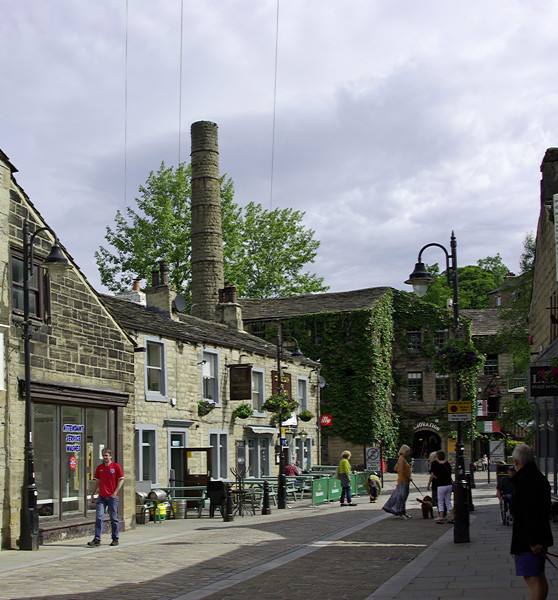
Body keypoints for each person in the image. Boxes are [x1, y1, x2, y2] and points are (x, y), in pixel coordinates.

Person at [510, 444, 553, 600]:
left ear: (516, 461)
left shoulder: (525, 480)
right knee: (538, 575)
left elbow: (529, 513)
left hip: (528, 538)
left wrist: (533, 540)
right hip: (537, 534)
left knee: (532, 577)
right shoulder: (536, 476)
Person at [87, 448, 124, 547]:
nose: (105, 457)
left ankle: (115, 538)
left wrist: (115, 492)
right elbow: (97, 482)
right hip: (101, 497)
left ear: (110, 456)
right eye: (103, 455)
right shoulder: (100, 468)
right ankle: (97, 539)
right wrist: (93, 494)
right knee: (99, 517)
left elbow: (121, 480)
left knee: (114, 518)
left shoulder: (116, 467)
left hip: (112, 497)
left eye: (106, 455)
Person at [382, 445, 412, 519]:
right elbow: (401, 470)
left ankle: (403, 512)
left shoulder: (401, 459)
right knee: (402, 497)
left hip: (403, 480)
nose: (409, 453)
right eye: (408, 451)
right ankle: (400, 513)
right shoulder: (402, 459)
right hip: (403, 480)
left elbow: (395, 468)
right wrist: (408, 476)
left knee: (403, 496)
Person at [427, 450, 454, 524]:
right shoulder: (448, 464)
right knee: (448, 502)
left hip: (441, 485)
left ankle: (441, 518)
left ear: (437, 457)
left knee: (440, 502)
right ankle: (452, 517)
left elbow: (435, 476)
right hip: (449, 484)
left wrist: (429, 483)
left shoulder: (438, 465)